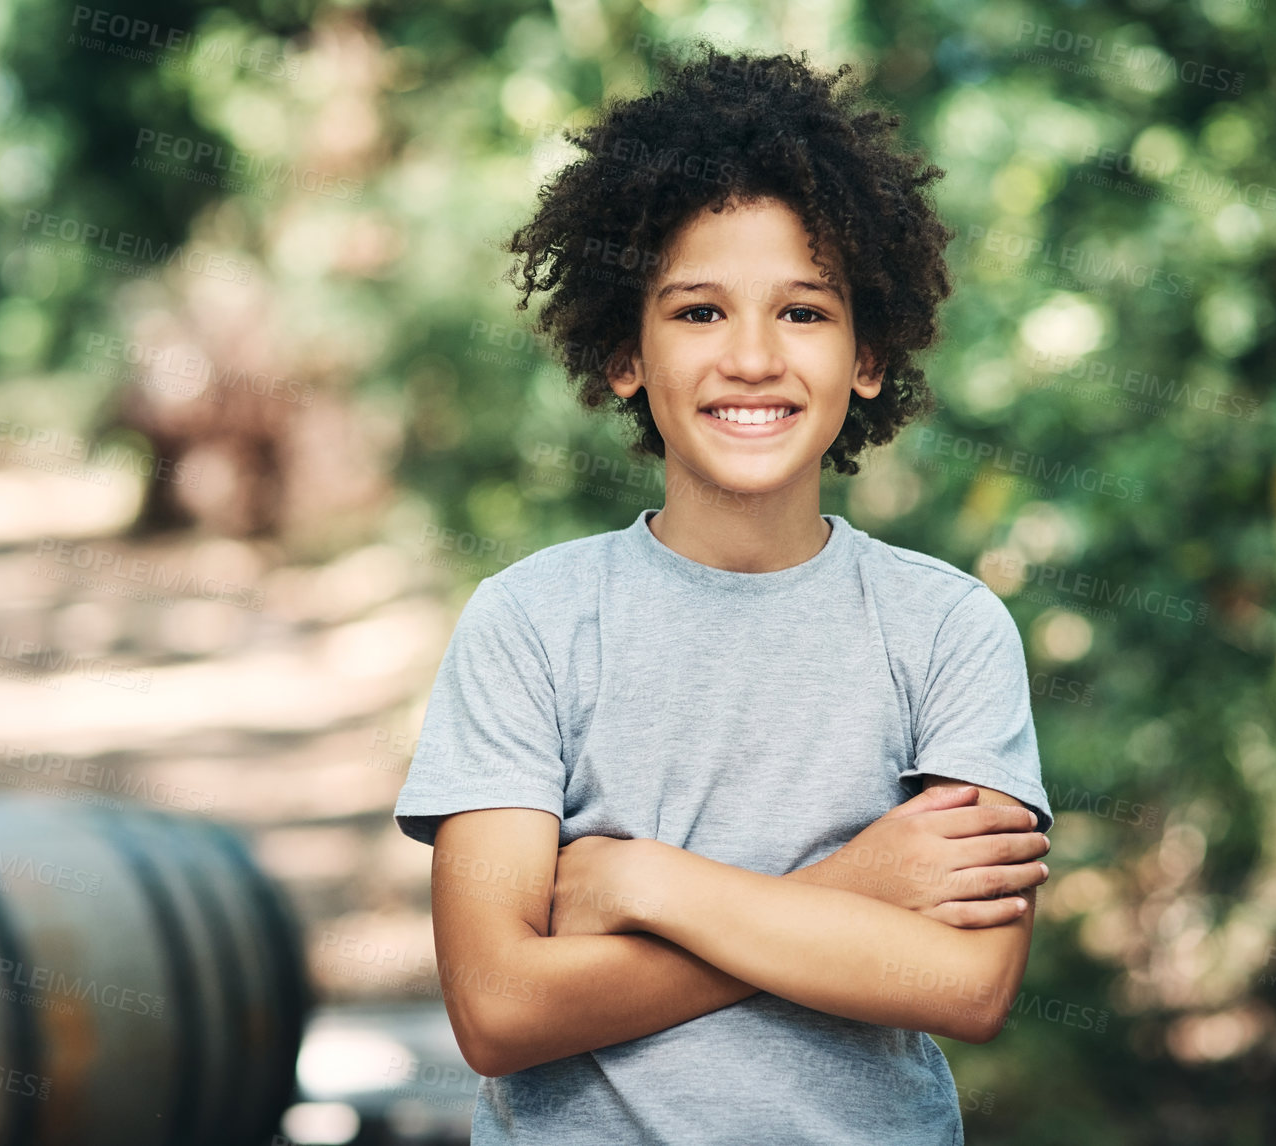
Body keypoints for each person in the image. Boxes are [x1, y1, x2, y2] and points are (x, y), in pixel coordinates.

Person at [392, 42, 1054, 1145]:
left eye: (804, 312)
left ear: (870, 354)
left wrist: (640, 881)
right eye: (699, 311)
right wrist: (858, 887)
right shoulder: (532, 624)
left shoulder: (948, 631)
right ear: (625, 353)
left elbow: (967, 988)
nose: (752, 357)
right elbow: (499, 1010)